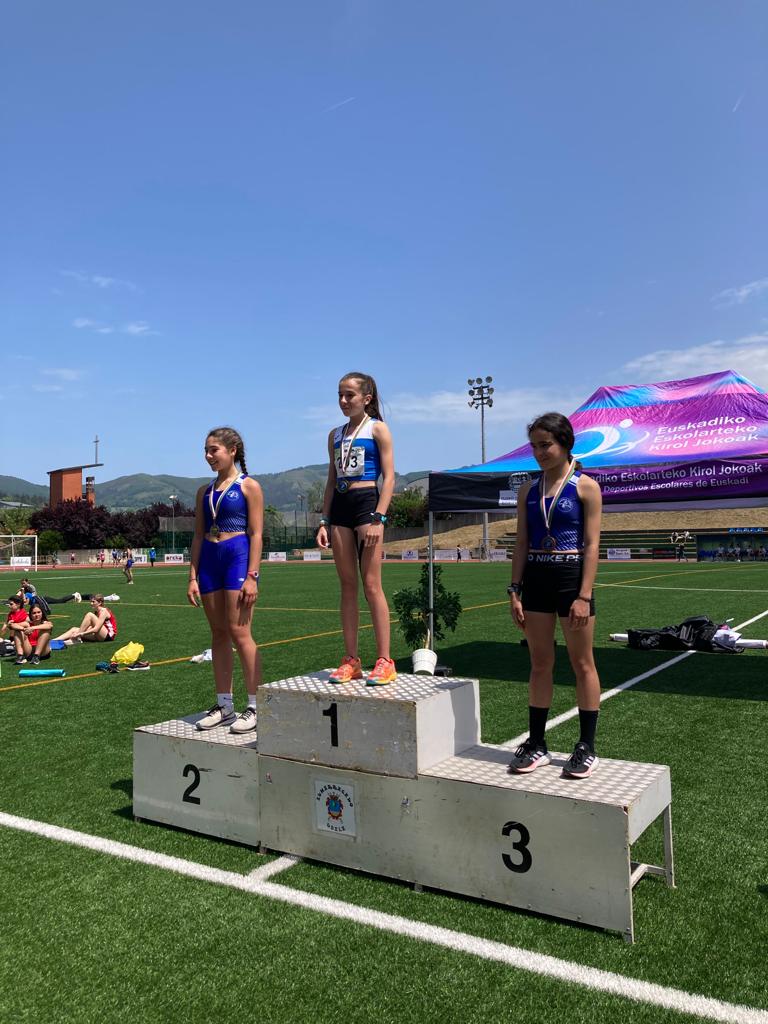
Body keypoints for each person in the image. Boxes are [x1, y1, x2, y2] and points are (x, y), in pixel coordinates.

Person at [507, 412, 603, 779]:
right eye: (534, 446)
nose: (539, 452)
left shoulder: (585, 487)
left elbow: (592, 545)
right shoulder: (528, 490)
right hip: (536, 577)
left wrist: (584, 595)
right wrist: (515, 590)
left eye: (545, 445)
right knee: (540, 663)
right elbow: (521, 542)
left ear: (565, 443)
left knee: (582, 663)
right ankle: (537, 743)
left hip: (570, 578)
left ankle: (587, 746)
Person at [316, 371, 396, 685]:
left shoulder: (378, 429)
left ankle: (385, 660)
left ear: (367, 398)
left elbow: (389, 478)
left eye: (349, 395)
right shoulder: (334, 435)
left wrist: (379, 517)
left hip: (367, 505)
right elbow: (331, 480)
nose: (343, 400)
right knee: (347, 586)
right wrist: (324, 520)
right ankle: (351, 659)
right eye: (340, 395)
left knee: (371, 585)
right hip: (340, 507)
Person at [187, 426, 263, 734]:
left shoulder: (249, 486)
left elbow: (256, 534)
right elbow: (197, 535)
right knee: (218, 633)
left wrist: (252, 576)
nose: (208, 456)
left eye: (213, 450)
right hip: (209, 559)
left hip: (237, 557)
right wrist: (192, 576)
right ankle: (224, 705)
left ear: (232, 450)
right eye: (205, 451)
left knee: (240, 632)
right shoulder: (203, 492)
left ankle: (255, 705)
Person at [52, 595, 118, 644]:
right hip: (100, 634)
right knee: (74, 629)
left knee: (89, 615)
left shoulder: (104, 611)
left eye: (93, 602)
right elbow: (92, 627)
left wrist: (81, 634)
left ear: (100, 602)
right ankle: (53, 641)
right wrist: (79, 632)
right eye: (91, 602)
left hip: (108, 636)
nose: (91, 603)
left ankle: (77, 639)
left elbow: (96, 629)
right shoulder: (96, 612)